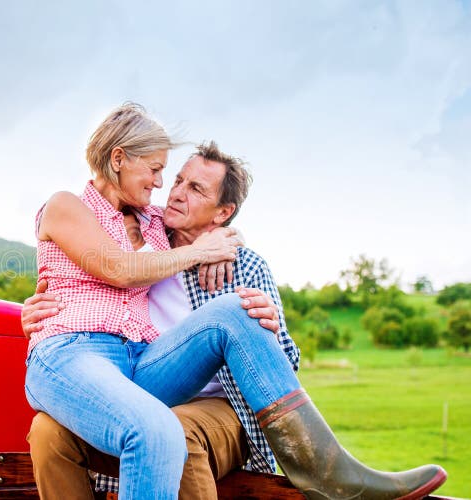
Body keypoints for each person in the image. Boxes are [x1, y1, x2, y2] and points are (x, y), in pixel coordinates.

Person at [24, 102, 446, 500]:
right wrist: (202, 249)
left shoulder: (179, 236)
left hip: (155, 372)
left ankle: (325, 469)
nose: (165, 189)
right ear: (118, 159)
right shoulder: (72, 207)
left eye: (192, 187)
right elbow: (115, 266)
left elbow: (211, 246)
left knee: (231, 313)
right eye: (164, 175)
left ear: (221, 213)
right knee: (114, 430)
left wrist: (227, 249)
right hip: (81, 352)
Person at [24, 140, 298, 499]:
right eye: (179, 180)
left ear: (221, 213)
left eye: (196, 189)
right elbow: (91, 280)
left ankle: (318, 460)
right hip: (144, 390)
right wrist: (37, 309)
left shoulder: (243, 265)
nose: (176, 192)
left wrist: (267, 330)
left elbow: (287, 365)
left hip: (221, 407)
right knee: (47, 431)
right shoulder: (146, 250)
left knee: (176, 429)